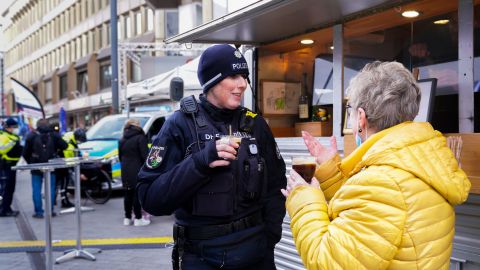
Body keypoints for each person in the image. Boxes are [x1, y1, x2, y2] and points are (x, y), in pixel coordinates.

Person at [281, 61, 471, 269]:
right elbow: (370, 216)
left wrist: (304, 199)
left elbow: (329, 261)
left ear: (361, 118)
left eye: (350, 111)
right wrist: (330, 173)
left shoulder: (383, 181)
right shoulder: (420, 158)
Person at [137, 44, 287, 270]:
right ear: (212, 80)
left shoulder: (255, 124)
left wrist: (270, 238)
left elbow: (276, 187)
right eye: (233, 75)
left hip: (257, 255)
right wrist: (200, 162)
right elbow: (150, 199)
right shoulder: (179, 124)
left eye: (244, 76)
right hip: (201, 258)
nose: (242, 84)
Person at [23, 119, 68, 218]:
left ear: (37, 125)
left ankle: (39, 212)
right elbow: (65, 146)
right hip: (50, 165)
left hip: (36, 166)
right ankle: (50, 211)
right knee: (50, 189)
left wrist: (30, 163)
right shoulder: (54, 135)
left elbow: (25, 152)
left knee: (36, 189)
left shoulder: (31, 136)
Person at [119, 119, 150, 226]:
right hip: (137, 169)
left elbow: (120, 157)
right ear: (137, 126)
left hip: (125, 170)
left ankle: (127, 218)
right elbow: (145, 157)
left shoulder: (122, 139)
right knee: (137, 194)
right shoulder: (140, 137)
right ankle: (138, 219)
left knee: (127, 194)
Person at [57, 128, 87, 208]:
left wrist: (80, 155)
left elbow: (76, 148)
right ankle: (64, 201)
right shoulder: (69, 146)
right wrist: (77, 172)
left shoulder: (72, 136)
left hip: (62, 159)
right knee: (64, 181)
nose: (80, 142)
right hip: (62, 162)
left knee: (61, 182)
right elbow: (70, 161)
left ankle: (57, 200)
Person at [0, 118, 23, 217]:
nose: (15, 129)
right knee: (6, 189)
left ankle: (7, 207)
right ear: (9, 127)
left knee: (10, 189)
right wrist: (13, 143)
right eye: (14, 127)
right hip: (6, 165)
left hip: (12, 165)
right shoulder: (3, 136)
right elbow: (1, 149)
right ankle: (4, 210)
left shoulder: (12, 136)